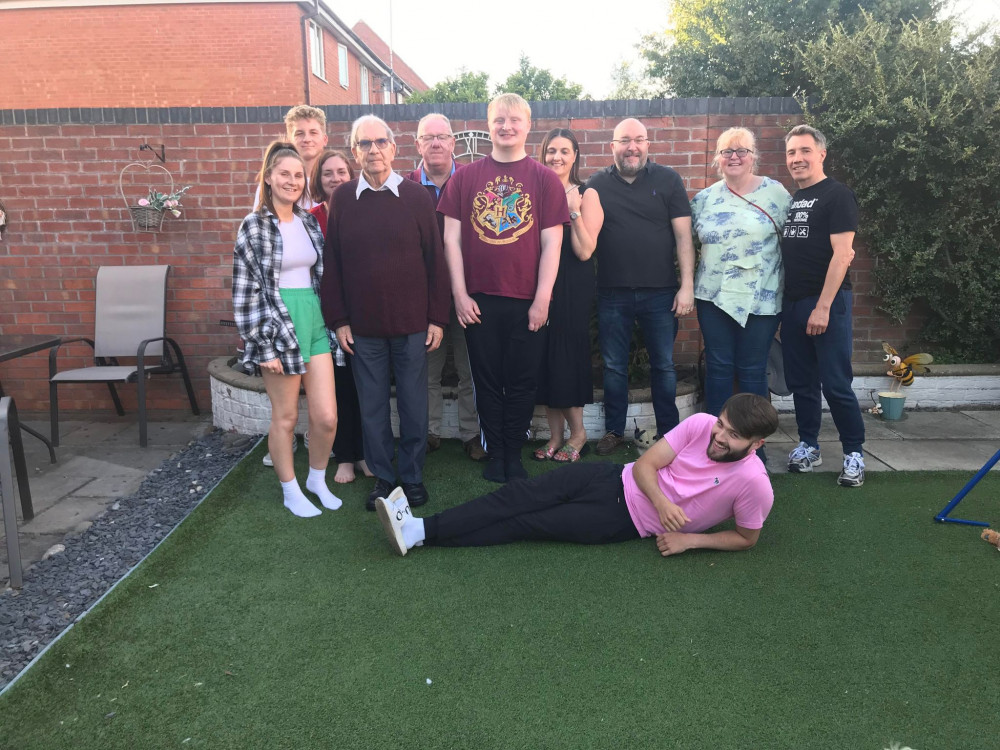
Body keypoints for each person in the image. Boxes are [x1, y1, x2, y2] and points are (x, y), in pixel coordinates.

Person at [374, 393, 778, 557]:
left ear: (756, 444)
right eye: (722, 424)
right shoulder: (701, 424)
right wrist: (662, 501)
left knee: (523, 523)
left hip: (620, 521)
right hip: (610, 478)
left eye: (733, 435)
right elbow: (644, 465)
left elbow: (747, 538)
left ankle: (419, 535)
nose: (719, 436)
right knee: (517, 496)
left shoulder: (754, 484)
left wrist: (691, 539)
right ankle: (419, 529)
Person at [320, 115, 451, 511]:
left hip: (412, 326)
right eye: (364, 144)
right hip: (362, 329)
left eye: (380, 142)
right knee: (372, 408)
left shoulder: (416, 197)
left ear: (394, 148)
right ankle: (383, 480)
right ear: (355, 150)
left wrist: (437, 318)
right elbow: (334, 263)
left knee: (413, 405)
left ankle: (411, 479)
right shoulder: (343, 199)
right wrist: (339, 320)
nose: (373, 150)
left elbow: (435, 261)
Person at [438, 93, 569, 484]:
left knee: (524, 381)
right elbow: (451, 242)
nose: (506, 126)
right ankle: (496, 452)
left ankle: (514, 452)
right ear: (488, 124)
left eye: (514, 120)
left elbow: (552, 243)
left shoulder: (544, 180)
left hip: (528, 302)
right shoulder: (465, 179)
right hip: (479, 302)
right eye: (499, 119)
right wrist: (460, 295)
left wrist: (542, 298)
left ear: (528, 126)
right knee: (488, 382)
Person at [232, 141, 341, 518]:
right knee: (287, 416)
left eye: (298, 175)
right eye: (284, 174)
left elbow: (320, 276)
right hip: (277, 323)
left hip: (312, 318)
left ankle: (316, 479)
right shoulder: (254, 225)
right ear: (268, 177)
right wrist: (263, 346)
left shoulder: (309, 221)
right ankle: (290, 490)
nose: (292, 181)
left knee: (326, 417)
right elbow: (245, 290)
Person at [586, 118, 696, 456]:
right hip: (612, 292)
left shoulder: (668, 180)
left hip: (661, 292)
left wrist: (686, 285)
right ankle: (614, 431)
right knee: (614, 366)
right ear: (613, 147)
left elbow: (683, 237)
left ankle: (670, 433)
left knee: (663, 365)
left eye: (639, 140)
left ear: (648, 144)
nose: (632, 147)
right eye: (624, 140)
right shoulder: (597, 185)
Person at [780, 124, 865, 487]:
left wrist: (824, 306)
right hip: (794, 303)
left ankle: (854, 453)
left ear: (821, 154)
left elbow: (843, 254)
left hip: (827, 302)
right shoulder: (793, 199)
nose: (797, 159)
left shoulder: (837, 195)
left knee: (835, 383)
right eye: (791, 153)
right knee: (802, 383)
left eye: (804, 151)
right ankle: (809, 446)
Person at [691, 127, 792, 419]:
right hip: (712, 298)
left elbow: (793, 244)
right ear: (718, 158)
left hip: (762, 299)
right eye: (727, 152)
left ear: (753, 157)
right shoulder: (704, 200)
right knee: (718, 367)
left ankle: (751, 446)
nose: (734, 157)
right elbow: (688, 244)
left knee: (753, 370)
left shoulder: (775, 194)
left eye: (742, 151)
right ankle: (713, 438)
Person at [404, 113, 485, 462]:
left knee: (471, 368)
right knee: (427, 370)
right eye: (428, 137)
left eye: (442, 136)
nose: (435, 143)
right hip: (423, 297)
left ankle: (471, 434)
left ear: (453, 143)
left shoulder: (472, 181)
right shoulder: (404, 187)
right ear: (417, 143)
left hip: (469, 291)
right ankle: (430, 432)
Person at [532, 128, 602, 463]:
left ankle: (579, 434)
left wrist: (573, 211)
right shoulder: (536, 191)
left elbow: (586, 251)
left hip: (572, 285)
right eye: (551, 151)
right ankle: (556, 436)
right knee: (543, 358)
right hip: (537, 283)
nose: (556, 157)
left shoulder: (587, 194)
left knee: (566, 358)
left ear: (575, 155)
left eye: (564, 151)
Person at [308, 149, 372, 484]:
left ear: (352, 175)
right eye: (328, 173)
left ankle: (365, 455)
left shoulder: (364, 209)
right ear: (319, 180)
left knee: (365, 388)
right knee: (338, 389)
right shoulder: (310, 218)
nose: (335, 178)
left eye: (342, 172)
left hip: (362, 312)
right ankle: (345, 456)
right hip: (323, 315)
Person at [252, 105, 329, 211]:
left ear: (325, 139)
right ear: (289, 140)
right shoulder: (272, 184)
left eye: (313, 133)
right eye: (299, 133)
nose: (307, 139)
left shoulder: (334, 181)